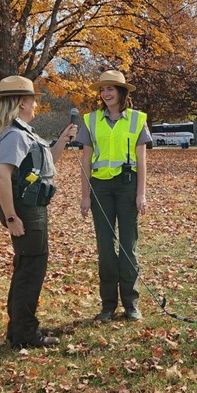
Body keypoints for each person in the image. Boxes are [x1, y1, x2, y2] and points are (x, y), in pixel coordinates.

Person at [0, 75, 77, 349]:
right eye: (32, 100)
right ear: (21, 104)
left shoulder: (24, 132)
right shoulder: (15, 136)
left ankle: (19, 328)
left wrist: (63, 139)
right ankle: (26, 335)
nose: (36, 105)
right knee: (30, 271)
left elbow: (46, 163)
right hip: (25, 212)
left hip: (32, 209)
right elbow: (1, 178)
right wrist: (11, 217)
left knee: (26, 269)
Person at [75, 70, 151, 322]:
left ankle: (131, 303)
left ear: (121, 92)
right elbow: (85, 159)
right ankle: (108, 305)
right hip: (100, 190)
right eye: (102, 89)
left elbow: (142, 160)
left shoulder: (137, 120)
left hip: (127, 187)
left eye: (111, 89)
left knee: (128, 246)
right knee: (106, 250)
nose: (106, 93)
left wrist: (141, 194)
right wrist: (85, 196)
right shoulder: (91, 120)